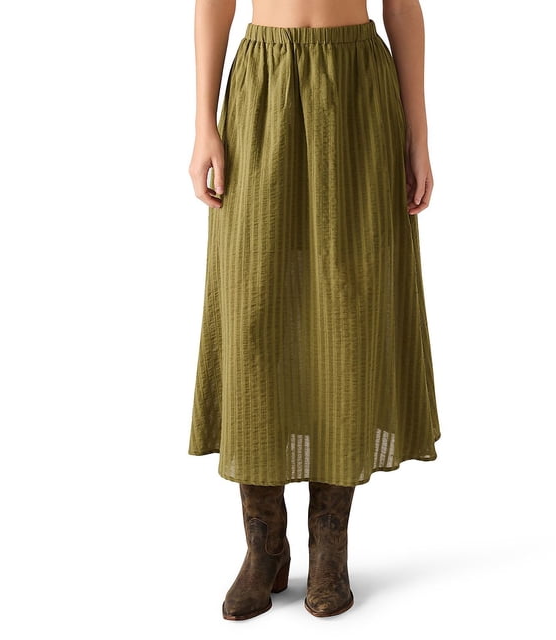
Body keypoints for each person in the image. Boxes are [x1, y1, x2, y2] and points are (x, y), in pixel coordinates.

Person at [187, 0, 441, 620]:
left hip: (356, 89)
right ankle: (264, 544)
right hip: (263, 85)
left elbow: (402, 7)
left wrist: (419, 135)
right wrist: (203, 123)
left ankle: (330, 546)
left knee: (348, 317)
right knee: (252, 315)